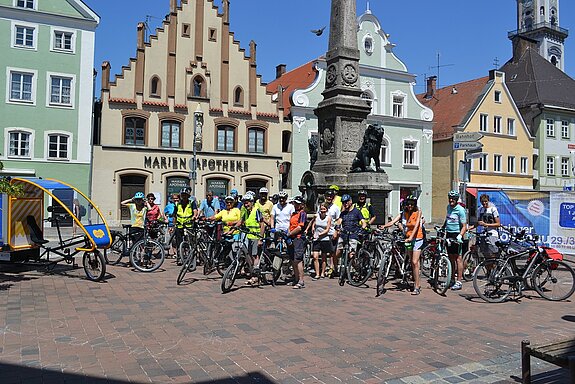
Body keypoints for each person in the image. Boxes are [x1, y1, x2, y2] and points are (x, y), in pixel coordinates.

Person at [381, 195, 424, 295]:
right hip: (408, 239)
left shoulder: (418, 212)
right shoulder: (403, 213)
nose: (410, 206)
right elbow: (392, 222)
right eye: (408, 204)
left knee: (414, 261)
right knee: (410, 260)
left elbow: (417, 226)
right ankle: (410, 275)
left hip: (417, 238)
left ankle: (417, 286)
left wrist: (411, 237)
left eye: (412, 204)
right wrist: (383, 226)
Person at [235, 193, 265, 286]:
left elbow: (262, 224)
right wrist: (232, 229)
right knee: (250, 256)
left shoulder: (256, 210)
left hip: (256, 236)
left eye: (247, 203)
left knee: (255, 256)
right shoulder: (246, 212)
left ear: (252, 202)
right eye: (244, 203)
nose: (246, 204)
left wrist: (260, 238)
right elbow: (241, 222)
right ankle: (254, 273)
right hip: (249, 236)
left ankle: (255, 276)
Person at [334, 194, 366, 275]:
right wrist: (337, 226)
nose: (345, 204)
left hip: (353, 234)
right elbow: (339, 221)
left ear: (351, 201)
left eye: (347, 202)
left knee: (351, 255)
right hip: (344, 234)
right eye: (343, 202)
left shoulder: (357, 212)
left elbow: (363, 222)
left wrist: (361, 229)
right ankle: (335, 268)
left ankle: (357, 269)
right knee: (337, 252)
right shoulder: (343, 213)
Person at [443, 190, 467, 290]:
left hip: (457, 234)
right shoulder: (448, 207)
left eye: (453, 198)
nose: (451, 200)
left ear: (457, 199)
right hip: (449, 234)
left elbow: (464, 226)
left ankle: (459, 281)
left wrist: (460, 235)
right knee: (451, 258)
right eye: (450, 198)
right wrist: (443, 227)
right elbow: (447, 219)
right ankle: (451, 279)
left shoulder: (460, 210)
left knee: (458, 258)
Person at [174, 187, 199, 264]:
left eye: (185, 195)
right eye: (183, 195)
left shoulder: (191, 203)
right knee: (179, 242)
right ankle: (179, 258)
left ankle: (192, 257)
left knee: (191, 242)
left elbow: (195, 211)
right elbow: (175, 215)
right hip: (179, 225)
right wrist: (173, 225)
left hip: (189, 225)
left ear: (188, 196)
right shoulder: (178, 204)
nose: (184, 197)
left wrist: (194, 216)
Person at [288, 196, 308, 289]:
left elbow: (300, 227)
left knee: (298, 259)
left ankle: (301, 280)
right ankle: (295, 279)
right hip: (292, 238)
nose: (295, 205)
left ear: (302, 205)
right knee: (293, 259)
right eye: (294, 203)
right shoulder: (293, 214)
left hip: (299, 238)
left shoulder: (302, 213)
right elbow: (291, 225)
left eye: (297, 203)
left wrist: (290, 233)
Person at [311, 202, 333, 280]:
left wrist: (320, 234)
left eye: (324, 209)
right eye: (321, 209)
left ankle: (322, 272)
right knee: (315, 256)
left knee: (324, 257)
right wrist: (313, 228)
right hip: (316, 239)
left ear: (326, 210)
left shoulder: (328, 218)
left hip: (325, 239)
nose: (322, 210)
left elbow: (327, 229)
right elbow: (313, 223)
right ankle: (317, 273)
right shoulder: (316, 216)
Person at [477, 194, 500, 258]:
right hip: (483, 235)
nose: (484, 203)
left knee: (492, 255)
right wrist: (469, 228)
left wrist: (486, 224)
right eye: (482, 201)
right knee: (485, 256)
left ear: (488, 201)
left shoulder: (493, 209)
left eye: (485, 201)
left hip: (492, 235)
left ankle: (495, 268)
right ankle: (488, 268)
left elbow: (498, 224)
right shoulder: (480, 210)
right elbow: (478, 222)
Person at [324, 189, 341, 277]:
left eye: (331, 196)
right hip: (322, 232)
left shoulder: (336, 208)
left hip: (331, 232)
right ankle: (324, 269)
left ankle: (332, 267)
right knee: (323, 251)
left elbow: (338, 220)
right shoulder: (322, 206)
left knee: (332, 251)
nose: (329, 198)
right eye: (328, 196)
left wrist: (336, 231)